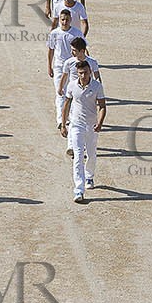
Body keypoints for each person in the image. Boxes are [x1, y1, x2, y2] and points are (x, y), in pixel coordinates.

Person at [60, 59, 106, 204]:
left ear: (90, 72)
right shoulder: (72, 85)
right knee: (78, 155)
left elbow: (102, 106)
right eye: (81, 73)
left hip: (92, 126)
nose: (84, 75)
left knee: (91, 154)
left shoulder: (97, 86)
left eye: (86, 72)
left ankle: (89, 176)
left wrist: (100, 122)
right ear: (77, 73)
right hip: (76, 125)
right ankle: (78, 190)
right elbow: (66, 104)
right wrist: (63, 124)